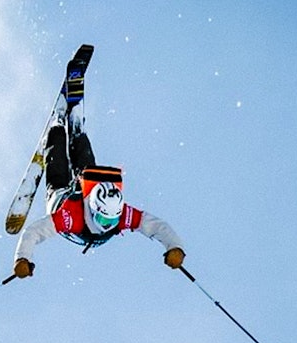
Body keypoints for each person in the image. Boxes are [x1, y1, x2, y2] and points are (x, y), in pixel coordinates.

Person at [12, 99, 186, 280]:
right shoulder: (72, 217)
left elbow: (157, 226)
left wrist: (175, 247)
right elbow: (34, 232)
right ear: (94, 209)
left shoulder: (122, 215)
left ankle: (65, 128)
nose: (107, 225)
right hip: (64, 201)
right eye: (103, 218)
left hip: (59, 193)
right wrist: (22, 258)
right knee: (83, 168)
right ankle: (69, 127)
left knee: (63, 167)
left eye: (112, 219)